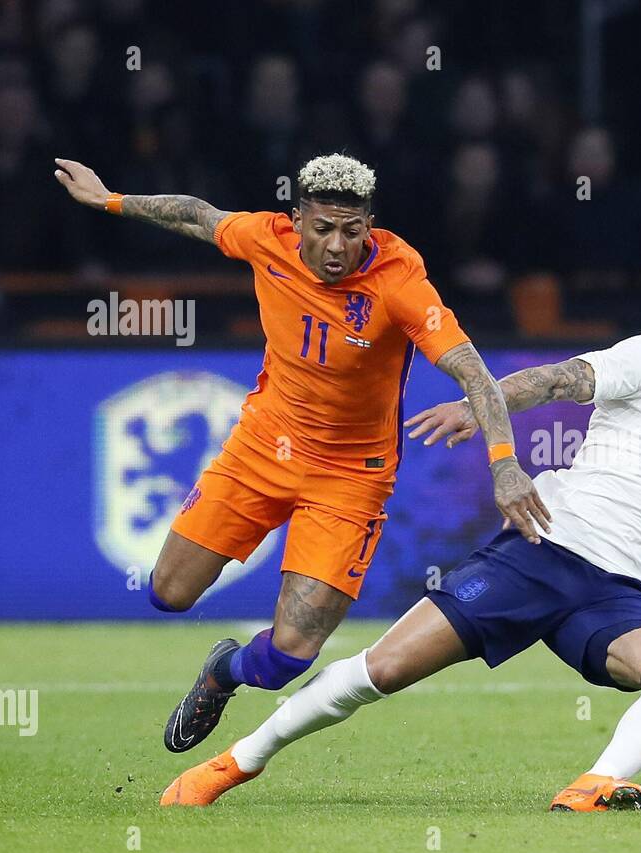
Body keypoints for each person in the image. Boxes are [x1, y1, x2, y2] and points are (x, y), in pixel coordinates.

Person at [159, 267, 641, 812]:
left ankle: (594, 785)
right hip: (541, 552)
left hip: (616, 601)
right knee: (377, 671)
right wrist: (483, 409)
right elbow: (557, 380)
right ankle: (235, 762)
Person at [53, 152, 547, 753]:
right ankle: (213, 644)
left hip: (349, 479)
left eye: (352, 230)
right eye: (323, 229)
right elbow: (197, 216)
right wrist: (109, 200)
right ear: (298, 221)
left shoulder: (399, 281)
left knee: (289, 656)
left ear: (369, 226)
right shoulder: (268, 240)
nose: (337, 246)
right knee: (168, 592)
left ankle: (223, 673)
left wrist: (504, 464)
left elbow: (473, 371)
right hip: (260, 449)